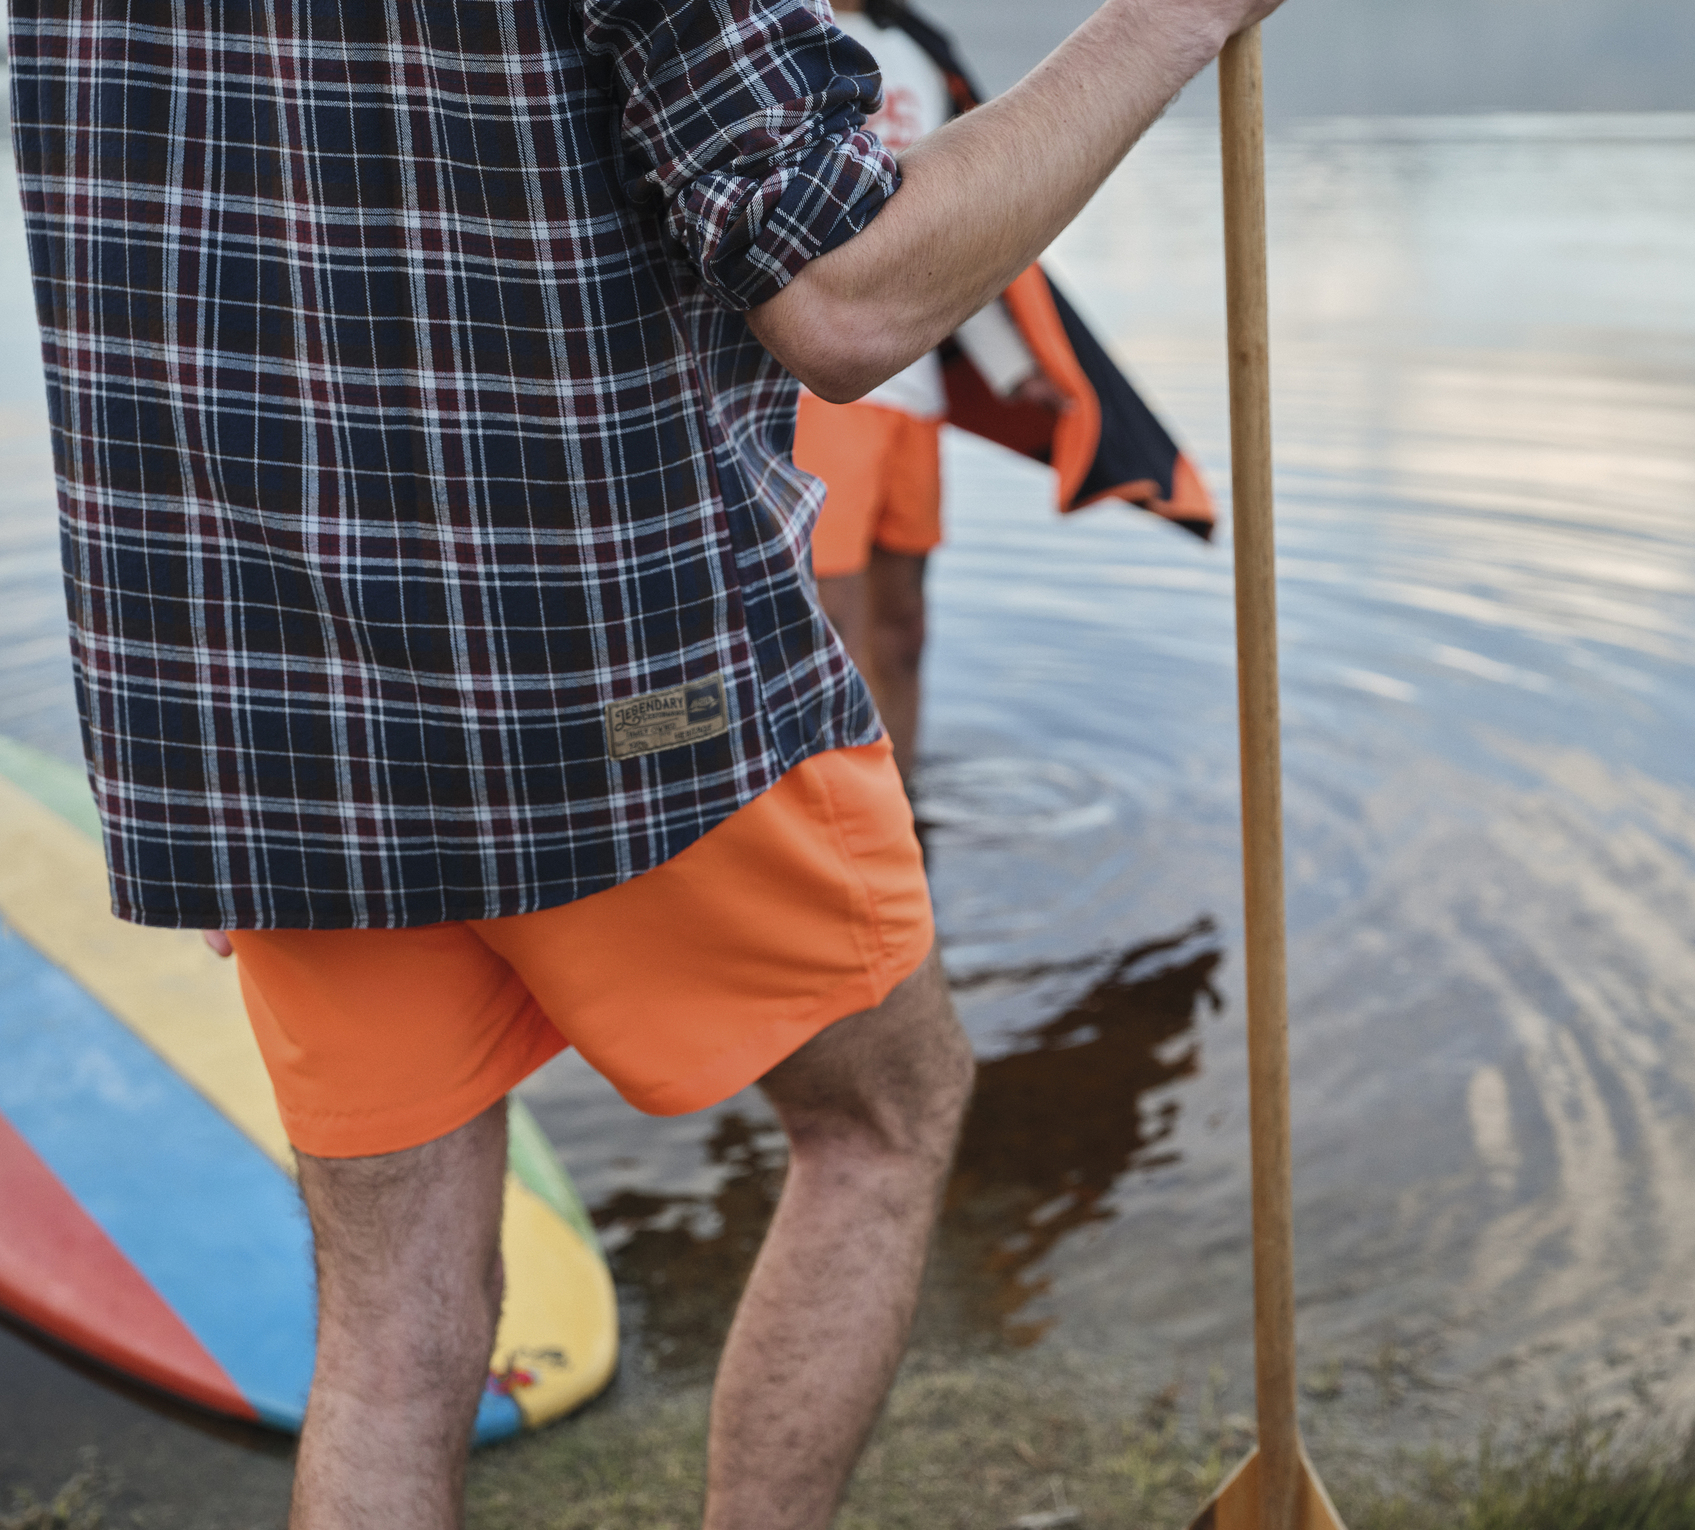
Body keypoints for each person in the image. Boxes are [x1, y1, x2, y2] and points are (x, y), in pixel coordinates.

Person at [7, 0, 1283, 1526]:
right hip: (617, 686)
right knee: (882, 1116)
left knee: (394, 1341)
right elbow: (847, 292)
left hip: (265, 723)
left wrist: (199, 769)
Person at [798, 0, 1217, 778]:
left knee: (903, 628)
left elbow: (954, 232)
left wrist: (1015, 368)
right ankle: (835, 830)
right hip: (814, 395)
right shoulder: (774, 33)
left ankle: (906, 807)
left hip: (911, 390)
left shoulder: (918, 48)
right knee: (830, 630)